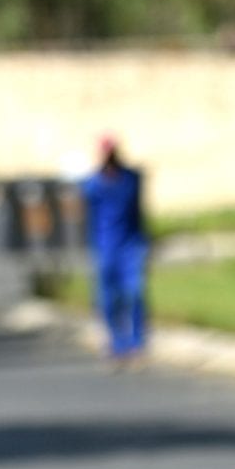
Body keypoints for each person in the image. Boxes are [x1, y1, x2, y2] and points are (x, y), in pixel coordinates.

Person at [79, 135, 150, 367]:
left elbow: (139, 211)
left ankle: (137, 344)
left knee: (135, 293)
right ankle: (116, 344)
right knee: (109, 298)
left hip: (131, 245)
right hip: (106, 246)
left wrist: (145, 242)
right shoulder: (93, 184)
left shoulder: (131, 179)